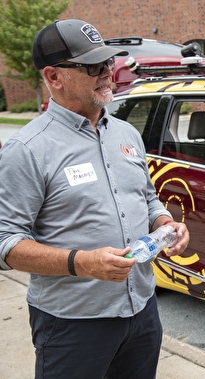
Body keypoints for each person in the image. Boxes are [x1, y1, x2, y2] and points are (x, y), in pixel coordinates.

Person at [0, 19, 189, 379]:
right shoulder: (27, 149)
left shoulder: (126, 133)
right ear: (54, 77)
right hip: (73, 324)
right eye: (93, 67)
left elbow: (147, 199)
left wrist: (165, 224)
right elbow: (5, 244)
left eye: (108, 63)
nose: (108, 73)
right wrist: (81, 262)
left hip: (142, 312)